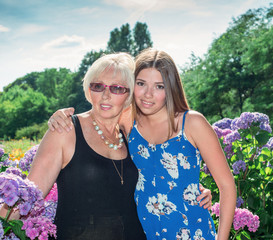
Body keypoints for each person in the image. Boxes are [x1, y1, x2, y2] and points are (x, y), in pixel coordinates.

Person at [49, 48, 236, 240]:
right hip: (147, 234)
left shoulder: (192, 123)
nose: (148, 94)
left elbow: (227, 185)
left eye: (159, 86)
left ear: (171, 88)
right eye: (141, 84)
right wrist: (60, 117)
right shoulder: (129, 123)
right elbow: (96, 114)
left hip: (194, 231)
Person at [1, 52, 147, 239]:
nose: (105, 95)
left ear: (129, 95)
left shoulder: (131, 134)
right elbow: (28, 198)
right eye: (97, 86)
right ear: (88, 88)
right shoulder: (64, 130)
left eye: (117, 88)